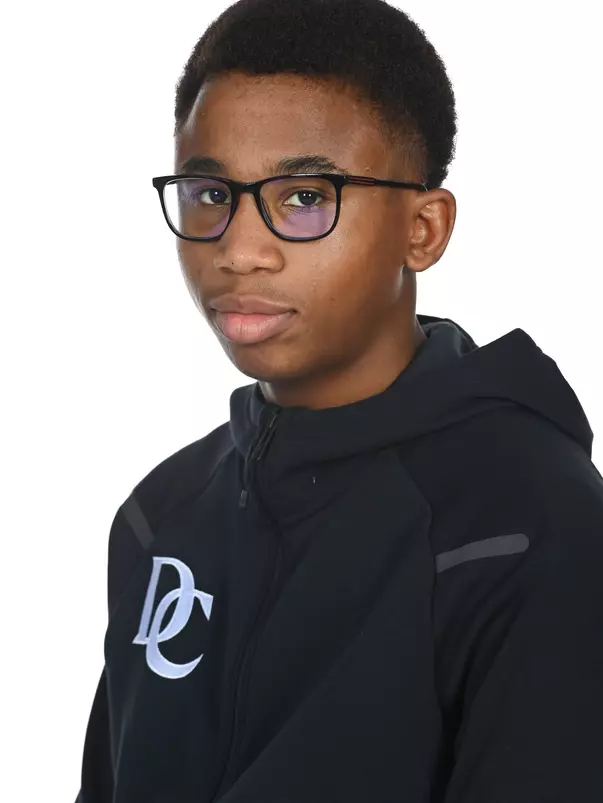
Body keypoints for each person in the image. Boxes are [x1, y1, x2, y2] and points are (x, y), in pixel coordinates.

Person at [74, 0, 603, 800]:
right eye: (208, 192)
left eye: (304, 198)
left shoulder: (526, 525)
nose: (239, 250)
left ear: (421, 229)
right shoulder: (161, 516)